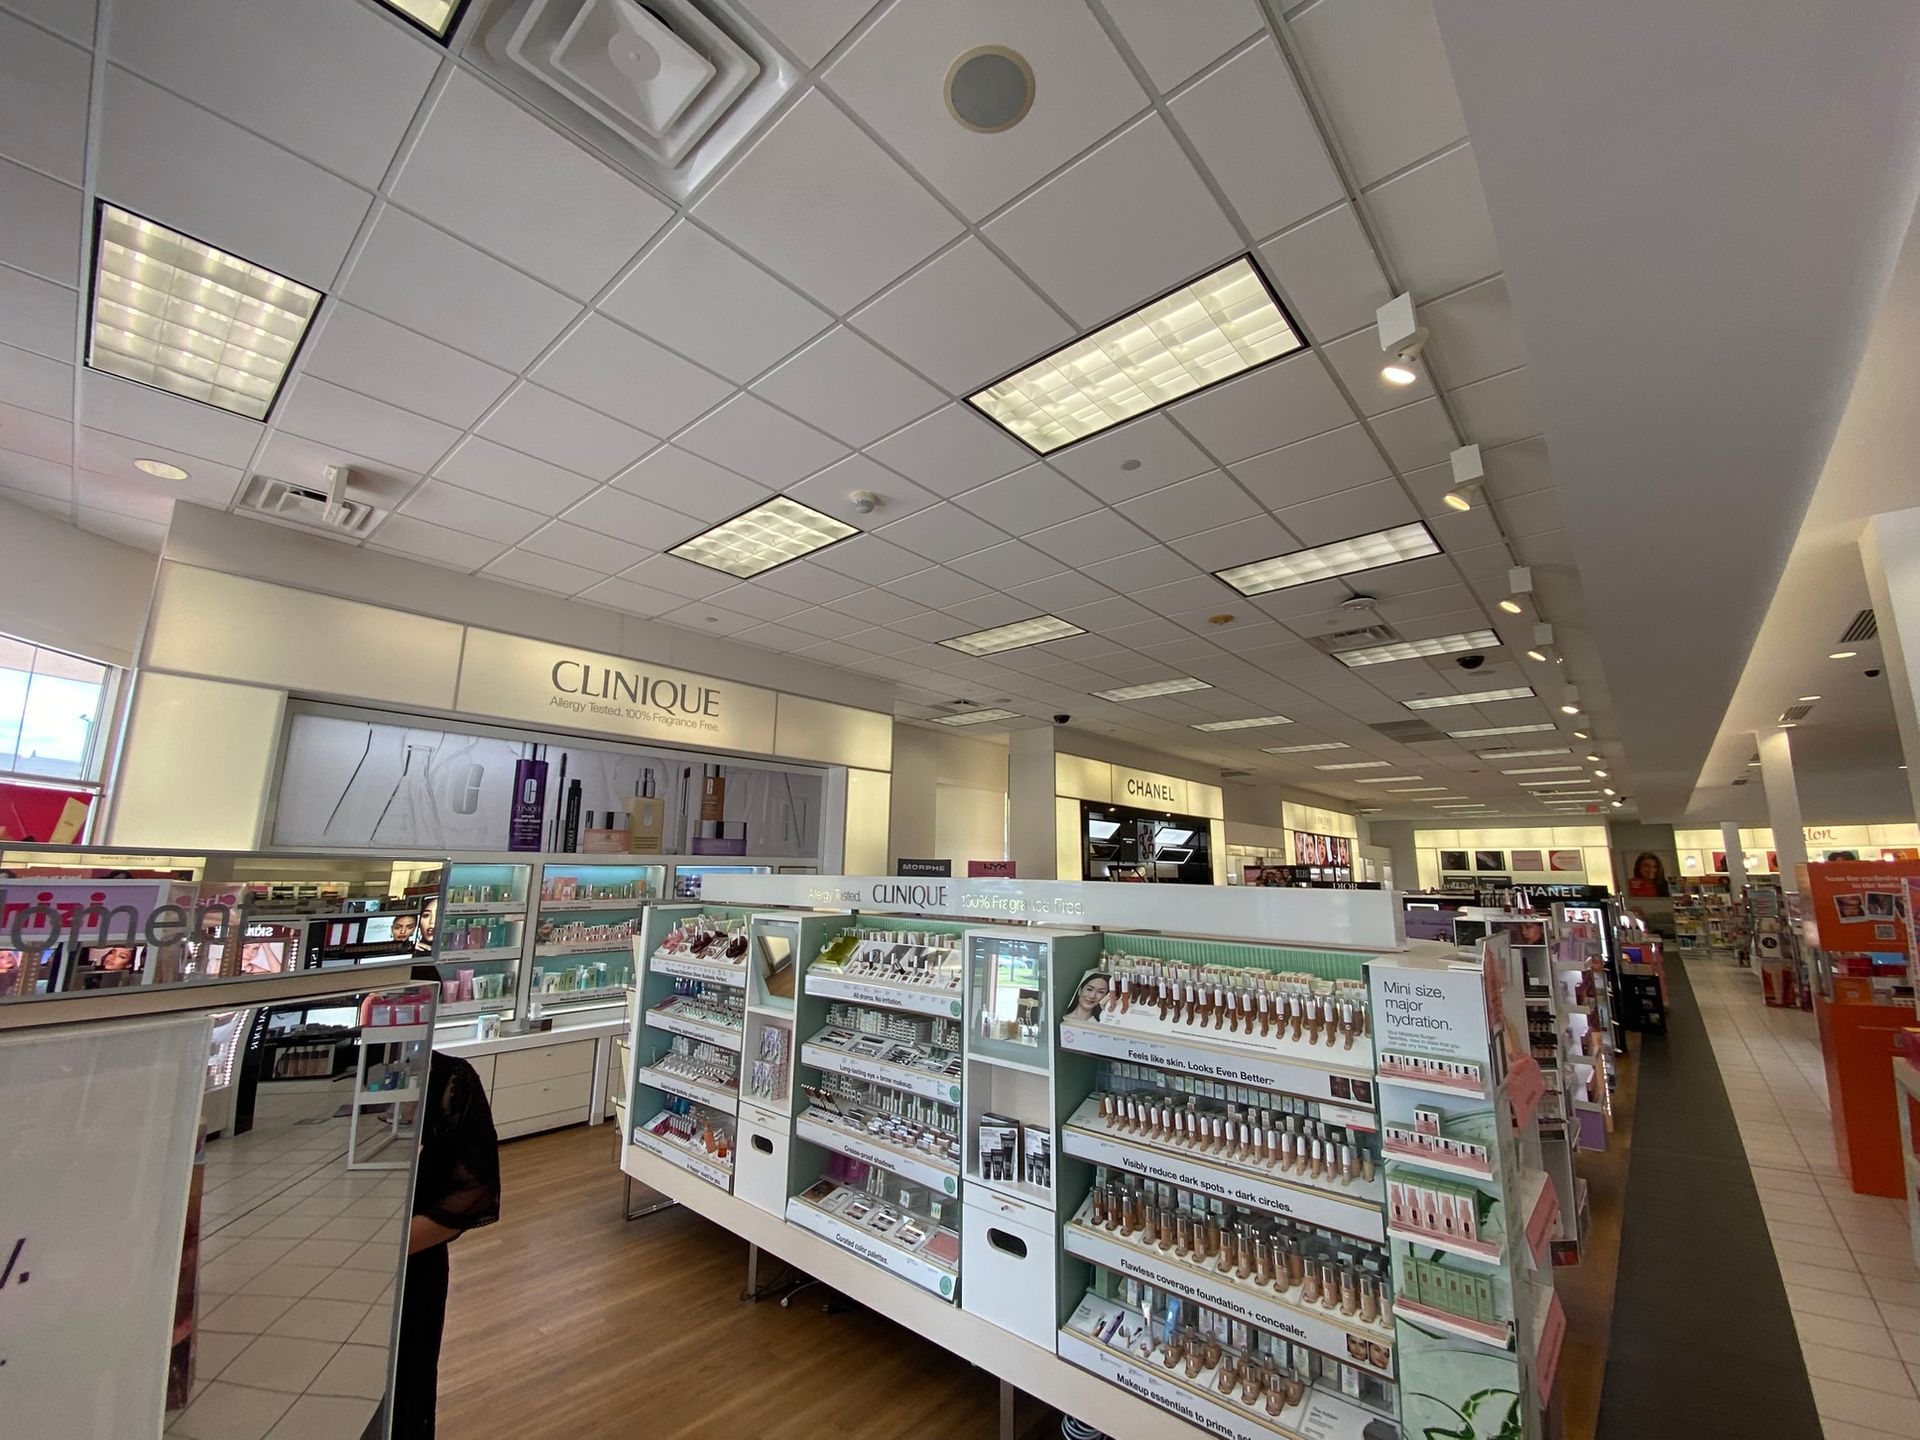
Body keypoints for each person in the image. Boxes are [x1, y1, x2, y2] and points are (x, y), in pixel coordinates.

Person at [391, 1050, 500, 1439]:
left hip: (412, 1272)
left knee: (403, 1388)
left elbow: (476, 1190)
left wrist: (383, 1250)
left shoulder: (449, 1078)